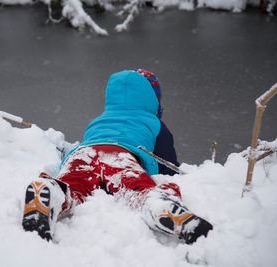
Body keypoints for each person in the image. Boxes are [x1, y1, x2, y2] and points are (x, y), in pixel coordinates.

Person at [22, 69, 213, 244]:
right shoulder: (154, 123)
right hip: (120, 157)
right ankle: (158, 205)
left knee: (74, 186)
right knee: (137, 191)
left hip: (84, 154)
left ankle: (52, 190)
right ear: (153, 101)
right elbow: (169, 167)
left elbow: (91, 142)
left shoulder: (99, 120)